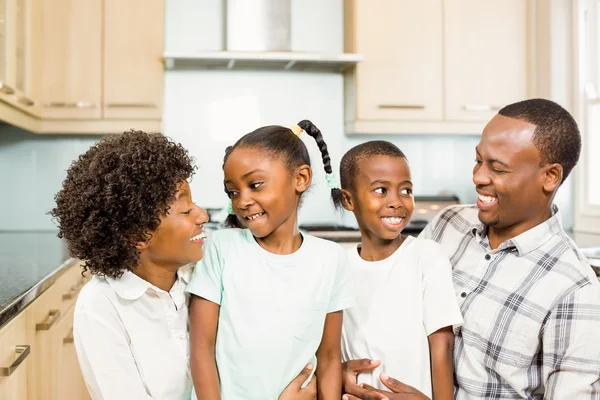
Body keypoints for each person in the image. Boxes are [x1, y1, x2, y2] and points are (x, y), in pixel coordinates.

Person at [345, 98, 600, 399]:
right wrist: (345, 371)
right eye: (478, 160)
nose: (478, 177)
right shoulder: (447, 224)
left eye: (498, 169)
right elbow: (385, 317)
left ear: (550, 176)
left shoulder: (574, 289)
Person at [50, 130, 315, 400]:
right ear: (138, 235)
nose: (201, 215)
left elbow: (282, 337)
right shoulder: (102, 306)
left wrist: (338, 371)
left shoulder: (211, 271)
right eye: (186, 210)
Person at [187, 120, 354, 399]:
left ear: (300, 179)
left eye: (255, 185)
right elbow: (201, 349)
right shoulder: (221, 249)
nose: (242, 201)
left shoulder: (330, 259)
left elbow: (329, 357)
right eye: (233, 191)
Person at [332, 141, 462, 400]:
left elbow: (442, 345)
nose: (396, 202)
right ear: (348, 199)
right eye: (381, 190)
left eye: (406, 190)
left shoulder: (426, 256)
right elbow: (330, 350)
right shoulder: (337, 266)